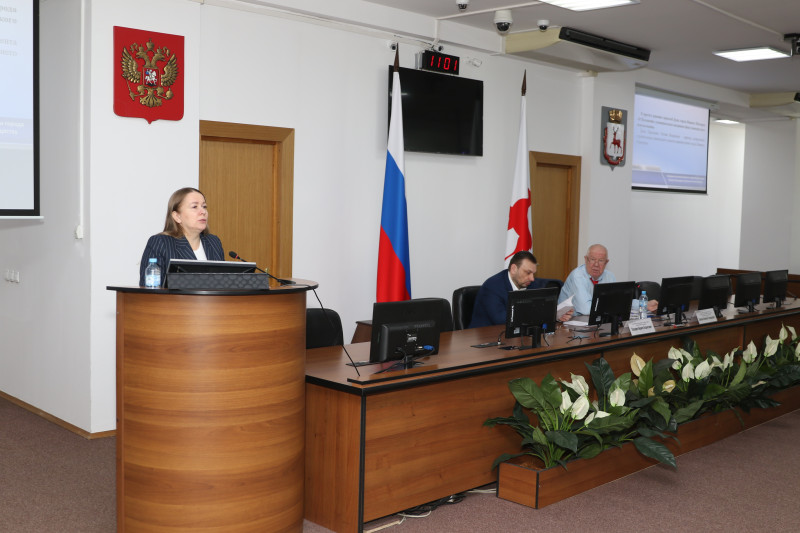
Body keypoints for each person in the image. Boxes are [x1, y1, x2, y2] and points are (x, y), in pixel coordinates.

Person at [138, 187, 225, 286]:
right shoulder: (161, 243)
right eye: (194, 207)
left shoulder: (214, 242)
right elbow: (149, 289)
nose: (203, 212)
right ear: (177, 216)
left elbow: (223, 284)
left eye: (204, 206)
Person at [469, 251, 573, 328]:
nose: (532, 278)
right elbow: (501, 320)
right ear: (514, 269)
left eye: (533, 274)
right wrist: (540, 315)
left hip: (515, 337)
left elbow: (554, 284)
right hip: (484, 340)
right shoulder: (492, 286)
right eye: (528, 273)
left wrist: (556, 315)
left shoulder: (529, 283)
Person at [558, 244, 657, 316]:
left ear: (606, 262)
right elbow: (586, 310)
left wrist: (644, 304)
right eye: (592, 259)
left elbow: (618, 300)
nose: (596, 264)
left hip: (592, 322)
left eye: (601, 260)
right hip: (567, 325)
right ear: (586, 259)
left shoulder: (609, 276)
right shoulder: (577, 276)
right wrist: (611, 304)